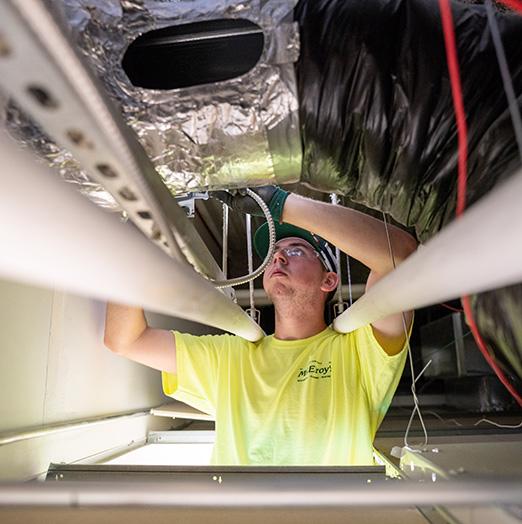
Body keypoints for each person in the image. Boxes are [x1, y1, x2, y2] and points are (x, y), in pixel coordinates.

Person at [104, 187, 417, 465]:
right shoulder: (231, 357)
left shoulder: (360, 352)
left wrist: (279, 203)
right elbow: (125, 340)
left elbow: (398, 255)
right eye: (273, 255)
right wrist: (130, 247)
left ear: (329, 280)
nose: (278, 258)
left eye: (295, 251)